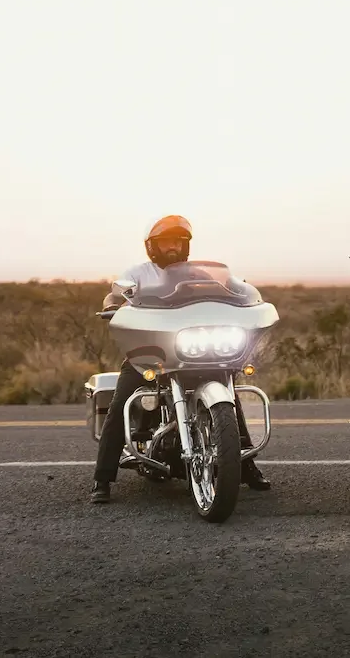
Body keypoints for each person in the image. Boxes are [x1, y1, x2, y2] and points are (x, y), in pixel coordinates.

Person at [89, 215, 271, 503]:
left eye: (178, 241)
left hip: (196, 351)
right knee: (121, 402)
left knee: (231, 401)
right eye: (166, 242)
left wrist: (244, 300)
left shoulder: (198, 274)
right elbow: (115, 297)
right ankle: (102, 478)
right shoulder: (138, 274)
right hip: (151, 354)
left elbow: (229, 293)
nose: (172, 247)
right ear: (152, 246)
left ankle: (246, 466)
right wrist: (113, 305)